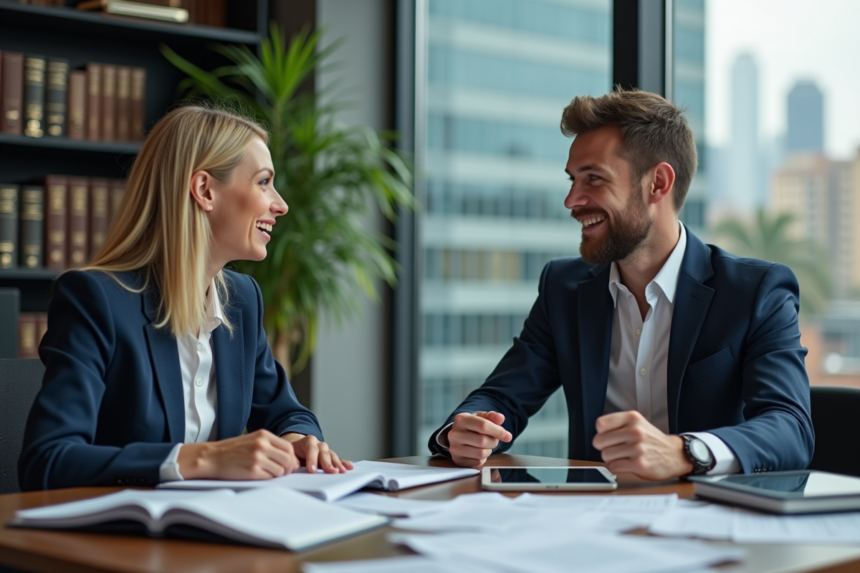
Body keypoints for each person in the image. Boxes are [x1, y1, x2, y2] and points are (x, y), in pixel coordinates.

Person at [428, 89, 814, 479]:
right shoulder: (563, 288)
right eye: (572, 180)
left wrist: (685, 452)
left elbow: (789, 428)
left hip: (709, 522)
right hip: (593, 519)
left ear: (658, 184)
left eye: (593, 178)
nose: (571, 200)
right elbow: (503, 395)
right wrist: (466, 430)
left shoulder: (755, 292)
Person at [19, 106, 352, 491]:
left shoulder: (241, 301)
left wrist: (297, 442)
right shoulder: (96, 299)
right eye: (264, 182)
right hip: (121, 541)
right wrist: (206, 458)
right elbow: (47, 461)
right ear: (205, 191)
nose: (280, 204)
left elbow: (287, 412)